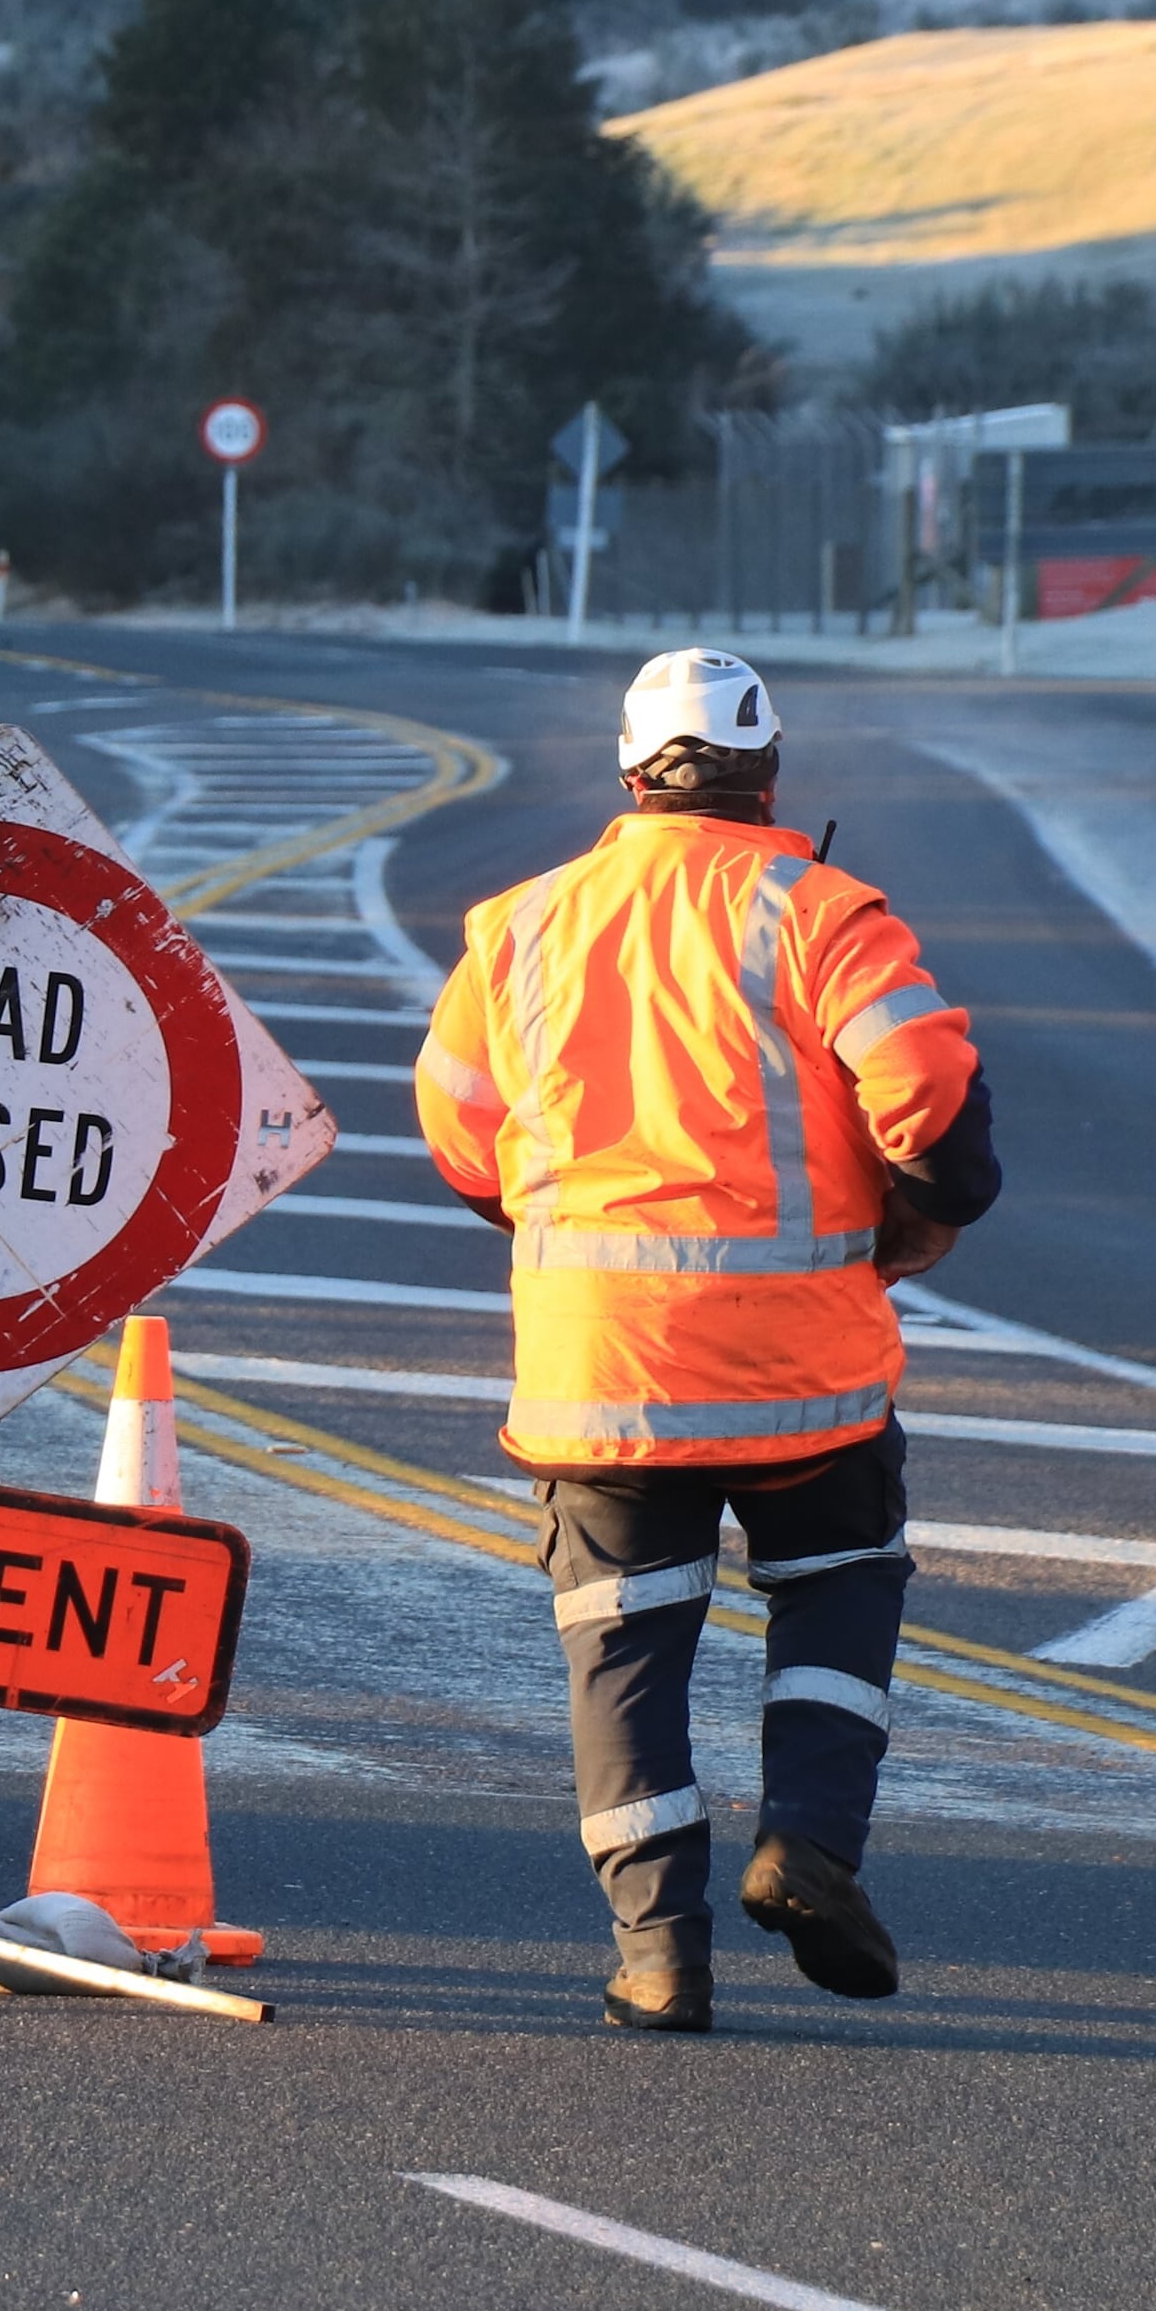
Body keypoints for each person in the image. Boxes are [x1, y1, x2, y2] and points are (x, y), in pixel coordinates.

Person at [415, 648, 999, 2031]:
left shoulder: (521, 927)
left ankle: (657, 1953)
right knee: (842, 1575)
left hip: (603, 1372)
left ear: (629, 771)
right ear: (769, 772)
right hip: (805, 1368)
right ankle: (809, 1838)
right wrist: (929, 1207)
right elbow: (925, 1089)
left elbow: (457, 1130)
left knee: (623, 1646)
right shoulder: (826, 911)